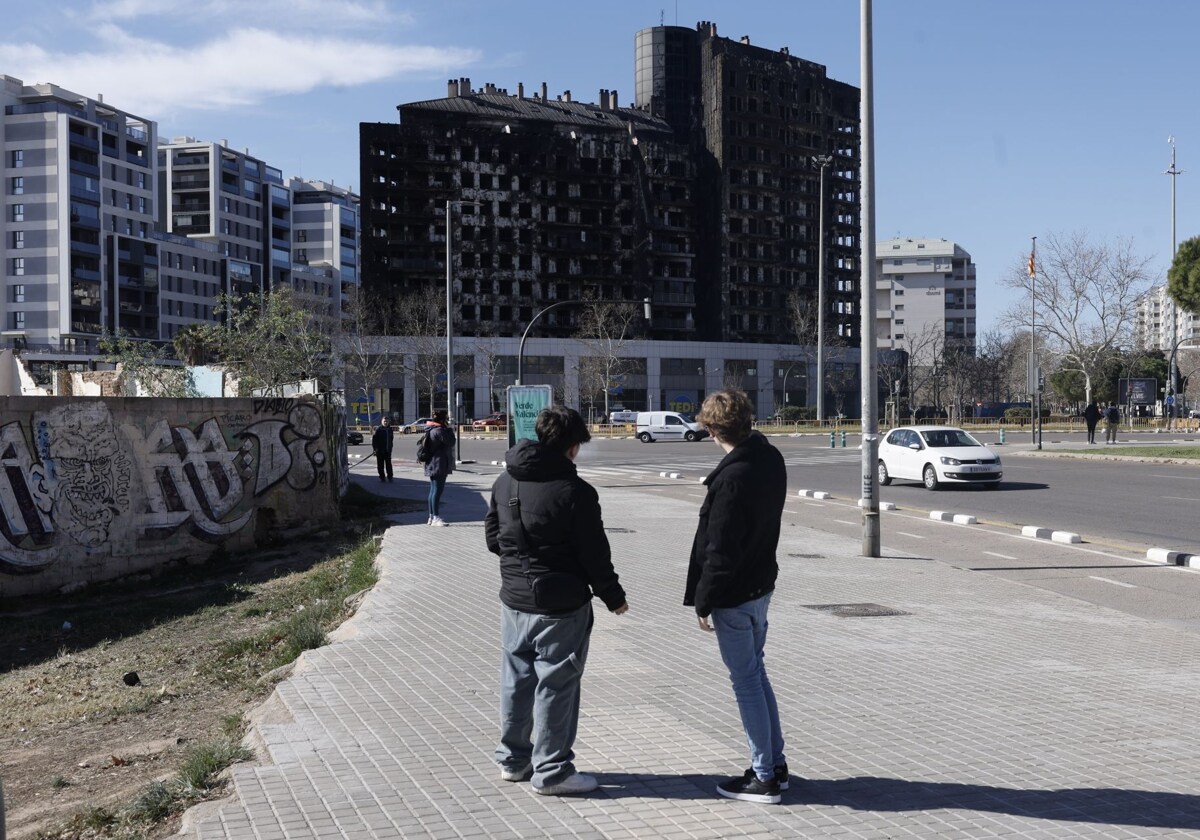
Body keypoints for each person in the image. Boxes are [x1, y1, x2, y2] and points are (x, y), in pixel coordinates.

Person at [485, 406, 628, 796]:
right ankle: (552, 773)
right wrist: (613, 597)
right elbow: (594, 554)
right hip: (561, 607)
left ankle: (514, 762)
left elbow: (493, 538)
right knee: (556, 686)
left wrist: (520, 567)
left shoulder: (505, 481)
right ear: (571, 446)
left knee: (516, 681)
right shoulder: (575, 492)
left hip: (514, 600)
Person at [685, 389, 789, 805]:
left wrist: (704, 600)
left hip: (735, 593)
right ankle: (774, 766)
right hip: (761, 584)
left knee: (746, 682)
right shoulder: (769, 458)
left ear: (712, 430)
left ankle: (764, 777)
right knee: (756, 676)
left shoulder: (731, 478)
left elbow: (719, 549)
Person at [423, 409, 456, 525]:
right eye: (446, 418)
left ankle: (431, 517)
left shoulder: (431, 429)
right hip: (439, 464)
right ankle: (435, 517)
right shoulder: (439, 431)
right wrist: (450, 429)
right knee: (437, 491)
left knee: (433, 490)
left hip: (433, 463)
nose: (447, 420)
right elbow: (451, 441)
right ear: (442, 419)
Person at [371, 416, 394, 483]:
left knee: (389, 465)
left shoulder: (390, 429)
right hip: (380, 451)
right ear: (381, 422)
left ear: (388, 422)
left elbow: (391, 439)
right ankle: (382, 477)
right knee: (380, 465)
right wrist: (375, 449)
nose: (385, 422)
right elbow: (374, 440)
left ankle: (390, 477)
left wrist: (390, 448)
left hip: (387, 451)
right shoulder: (378, 429)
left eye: (386, 421)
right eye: (384, 421)